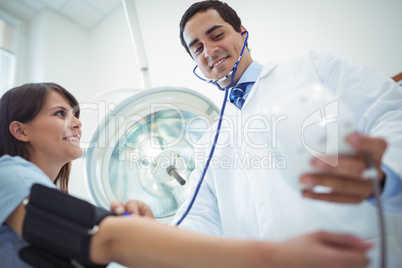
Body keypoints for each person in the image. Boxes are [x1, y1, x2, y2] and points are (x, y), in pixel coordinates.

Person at [0, 82, 373, 268]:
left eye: (76, 113)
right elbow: (105, 241)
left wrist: (140, 228)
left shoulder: (38, 197)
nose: (77, 123)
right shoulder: (6, 175)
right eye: (60, 114)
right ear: (20, 130)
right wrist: (276, 256)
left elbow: (98, 244)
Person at [171, 1, 402, 267]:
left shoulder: (313, 68)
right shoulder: (208, 144)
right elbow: (199, 216)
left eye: (217, 35)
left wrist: (387, 175)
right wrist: (149, 237)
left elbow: (390, 111)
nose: (209, 51)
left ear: (242, 32)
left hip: (361, 256)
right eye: (197, 48)